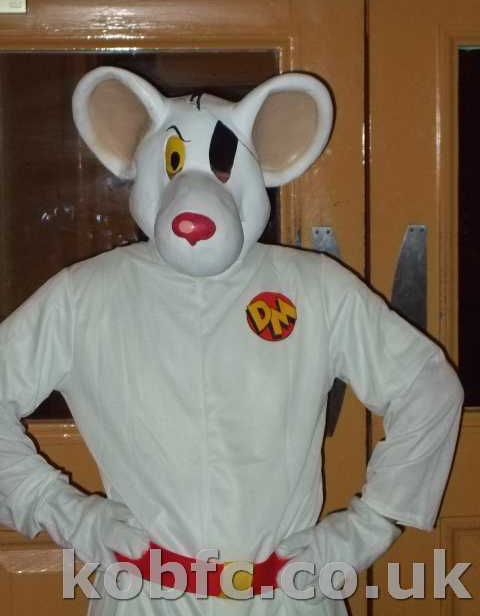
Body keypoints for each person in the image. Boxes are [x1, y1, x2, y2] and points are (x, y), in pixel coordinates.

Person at [0, 67, 463, 615]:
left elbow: (426, 386)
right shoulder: (84, 297)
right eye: (175, 162)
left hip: (286, 596)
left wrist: (366, 529)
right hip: (147, 595)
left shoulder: (313, 287)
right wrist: (66, 513)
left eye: (221, 166)